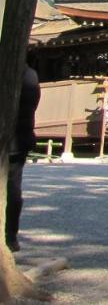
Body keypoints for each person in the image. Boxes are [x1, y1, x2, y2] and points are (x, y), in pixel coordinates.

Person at [6, 65, 41, 252]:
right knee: (13, 189)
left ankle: (10, 235)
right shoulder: (30, 74)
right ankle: (11, 236)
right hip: (21, 139)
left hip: (13, 138)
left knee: (12, 190)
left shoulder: (9, 70)